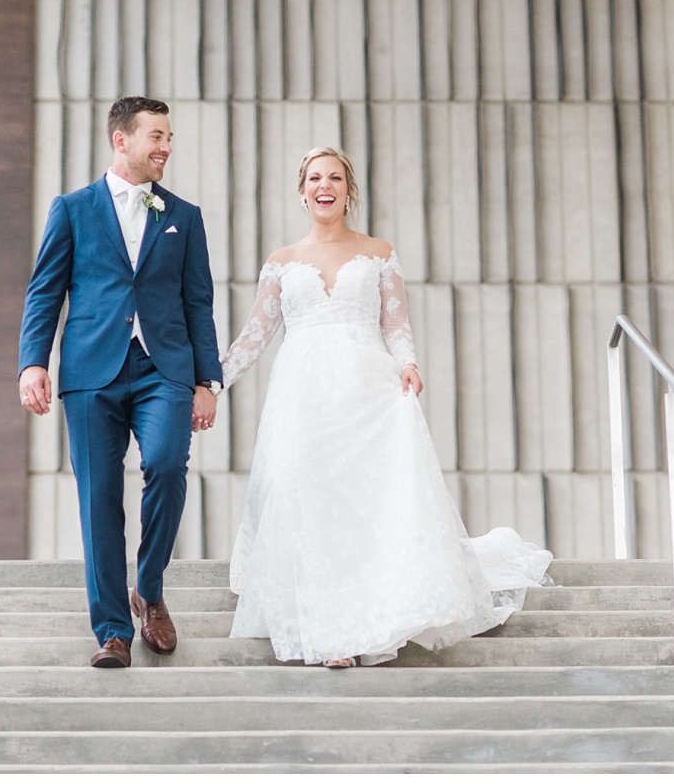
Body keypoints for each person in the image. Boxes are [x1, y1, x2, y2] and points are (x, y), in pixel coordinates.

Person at [218, 146, 552, 668]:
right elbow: (254, 337)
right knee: (306, 499)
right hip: (301, 398)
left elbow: (395, 324)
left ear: (349, 191)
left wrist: (409, 364)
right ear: (301, 191)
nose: (324, 186)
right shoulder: (282, 262)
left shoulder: (377, 251)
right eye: (314, 178)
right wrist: (209, 384)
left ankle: (352, 630)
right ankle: (323, 623)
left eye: (334, 178)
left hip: (366, 392)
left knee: (360, 504)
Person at [18, 96, 222, 669]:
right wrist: (34, 362)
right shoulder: (73, 209)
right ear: (121, 140)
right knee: (99, 499)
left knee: (164, 464)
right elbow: (44, 292)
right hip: (90, 372)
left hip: (165, 370)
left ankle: (149, 587)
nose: (166, 148)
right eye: (156, 136)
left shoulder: (185, 215)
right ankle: (112, 631)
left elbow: (197, 302)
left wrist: (209, 379)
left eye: (170, 138)